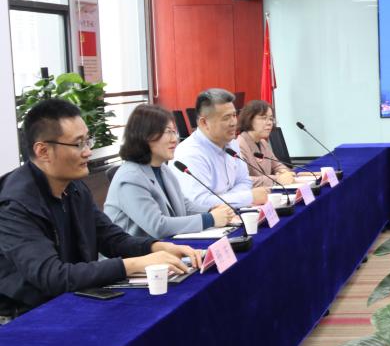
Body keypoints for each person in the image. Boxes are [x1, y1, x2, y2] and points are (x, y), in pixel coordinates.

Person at [0, 99, 199, 320]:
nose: (88, 152)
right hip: (27, 317)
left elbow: (112, 239)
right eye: (78, 144)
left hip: (75, 299)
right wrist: (134, 264)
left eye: (88, 141)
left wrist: (156, 247)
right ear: (43, 151)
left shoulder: (74, 187)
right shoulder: (14, 205)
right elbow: (53, 277)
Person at [105, 105, 236, 239]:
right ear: (145, 135)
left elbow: (183, 206)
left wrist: (212, 210)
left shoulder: (163, 168)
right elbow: (158, 226)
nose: (174, 139)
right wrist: (210, 219)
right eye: (168, 132)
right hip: (135, 251)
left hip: (164, 246)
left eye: (174, 132)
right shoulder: (130, 178)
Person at [171, 88, 269, 208]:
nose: (234, 123)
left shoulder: (232, 144)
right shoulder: (189, 153)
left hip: (232, 213)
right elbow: (199, 203)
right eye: (226, 117)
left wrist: (226, 199)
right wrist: (247, 197)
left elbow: (244, 181)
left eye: (234, 115)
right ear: (204, 123)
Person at [236, 100, 302, 187]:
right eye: (264, 118)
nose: (269, 123)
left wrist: (284, 172)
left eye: (271, 119)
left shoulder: (263, 143)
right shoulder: (239, 145)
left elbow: (277, 166)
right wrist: (277, 179)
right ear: (249, 119)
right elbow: (242, 180)